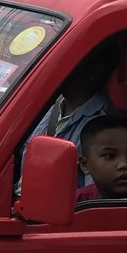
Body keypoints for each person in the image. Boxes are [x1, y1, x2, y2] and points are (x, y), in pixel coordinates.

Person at [27, 42, 119, 189]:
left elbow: (90, 198)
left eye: (66, 63)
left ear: (94, 72)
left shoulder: (107, 129)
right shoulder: (49, 106)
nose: (56, 68)